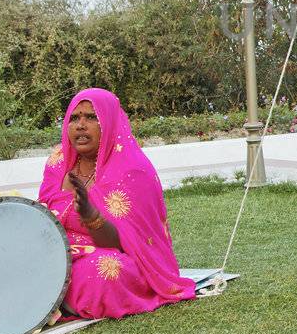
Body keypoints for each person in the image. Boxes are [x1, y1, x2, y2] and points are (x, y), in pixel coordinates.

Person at [39, 87, 196, 319]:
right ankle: (57, 297)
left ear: (110, 122)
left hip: (108, 255)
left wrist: (91, 216)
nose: (81, 125)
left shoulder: (132, 169)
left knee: (105, 271)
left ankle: (54, 300)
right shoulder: (59, 161)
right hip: (58, 250)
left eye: (91, 117)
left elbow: (122, 244)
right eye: (74, 118)